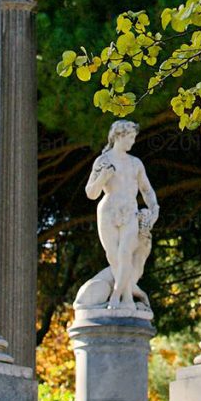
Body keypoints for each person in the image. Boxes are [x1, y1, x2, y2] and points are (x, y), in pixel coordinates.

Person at [84, 120, 159, 310]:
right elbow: (91, 193)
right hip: (108, 211)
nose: (133, 142)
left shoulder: (135, 163)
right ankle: (127, 297)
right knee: (113, 256)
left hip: (130, 211)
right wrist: (102, 177)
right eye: (131, 137)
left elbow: (147, 190)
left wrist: (154, 208)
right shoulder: (103, 161)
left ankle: (116, 295)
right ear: (119, 135)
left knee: (125, 253)